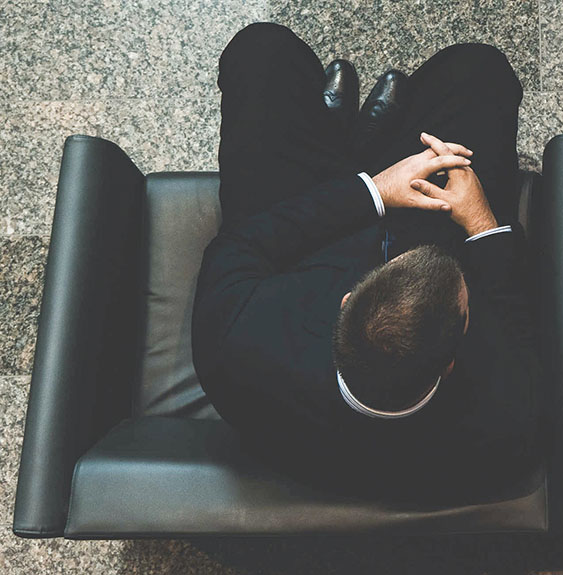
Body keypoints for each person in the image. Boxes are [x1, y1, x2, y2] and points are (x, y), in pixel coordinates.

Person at [192, 23, 538, 499]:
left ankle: (354, 150)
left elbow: (241, 245)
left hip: (306, 238)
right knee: (478, 70)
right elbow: (518, 322)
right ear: (453, 360)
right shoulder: (505, 427)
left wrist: (372, 190)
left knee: (262, 50)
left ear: (348, 300)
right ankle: (370, 143)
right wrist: (480, 223)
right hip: (432, 222)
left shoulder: (236, 347)